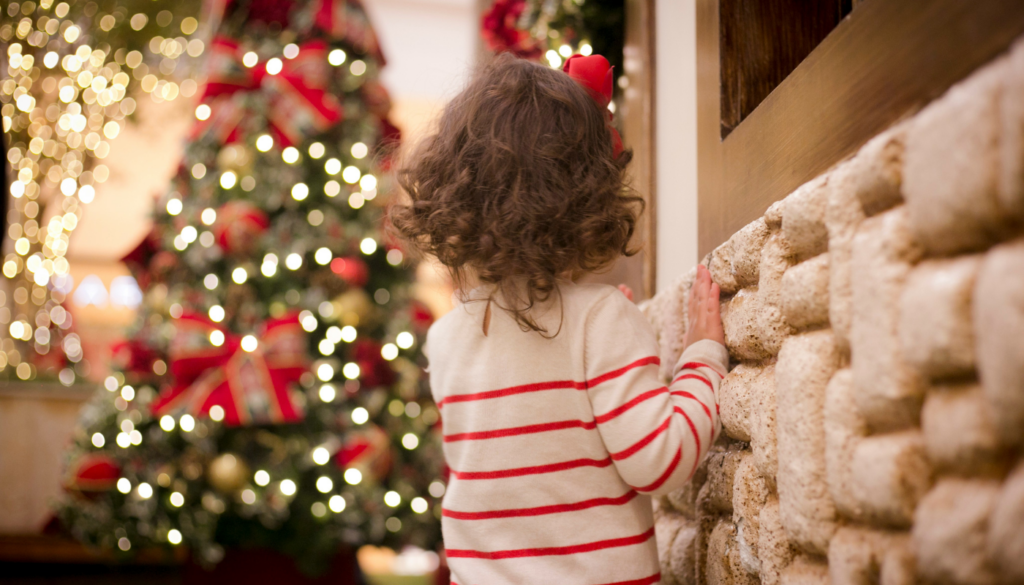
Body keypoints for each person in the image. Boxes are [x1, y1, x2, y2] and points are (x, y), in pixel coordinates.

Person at [389, 52, 726, 585]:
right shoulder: (600, 319)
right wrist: (702, 359)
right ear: (589, 195)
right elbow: (659, 461)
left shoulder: (446, 337)